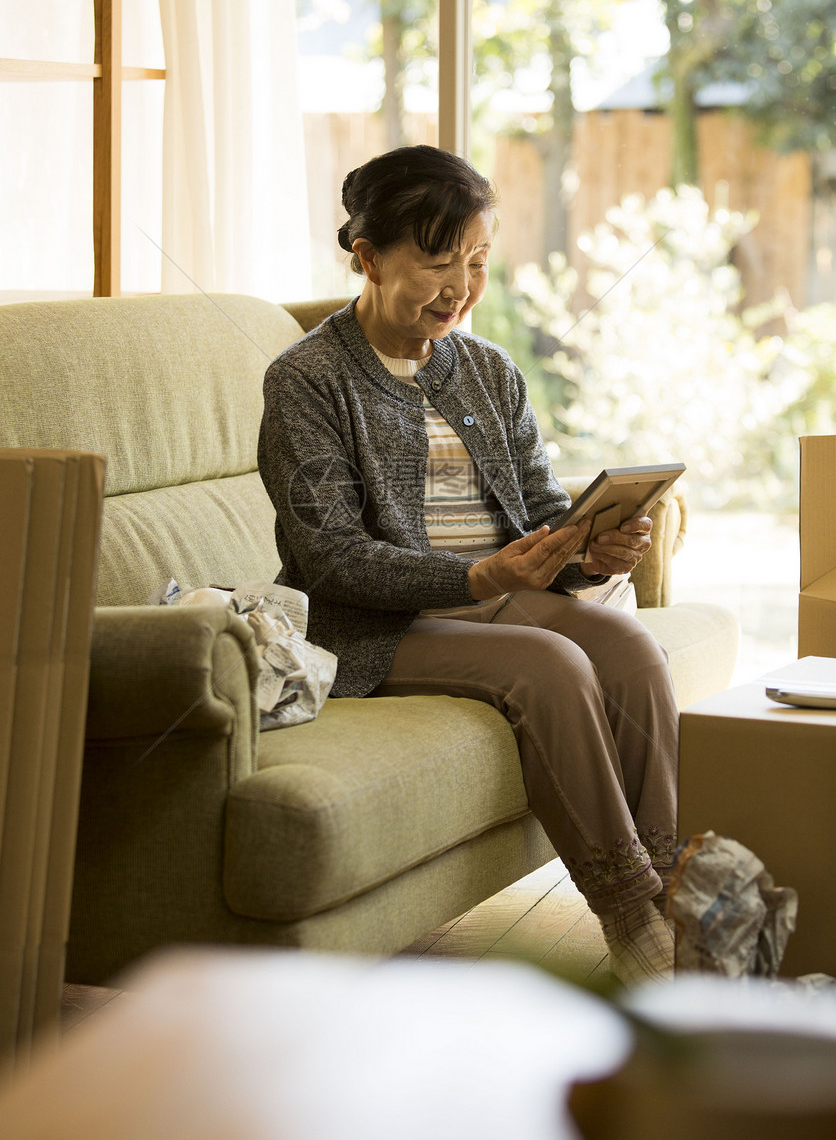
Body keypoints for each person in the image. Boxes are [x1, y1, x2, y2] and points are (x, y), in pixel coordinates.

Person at [258, 145, 678, 985]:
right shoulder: (306, 381)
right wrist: (479, 579)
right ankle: (632, 919)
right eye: (437, 260)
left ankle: (676, 900)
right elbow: (330, 555)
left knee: (631, 650)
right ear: (369, 258)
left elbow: (537, 513)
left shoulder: (487, 369)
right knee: (551, 664)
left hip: (493, 604)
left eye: (478, 261)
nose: (461, 286)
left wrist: (587, 548)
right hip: (374, 627)